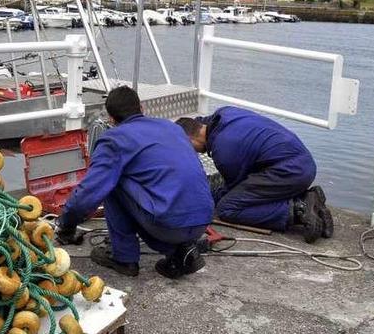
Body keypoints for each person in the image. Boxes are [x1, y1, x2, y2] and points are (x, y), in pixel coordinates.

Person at [55, 86, 215, 279]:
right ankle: (180, 251)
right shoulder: (172, 127)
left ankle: (124, 258)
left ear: (111, 119)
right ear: (141, 107)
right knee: (162, 187)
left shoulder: (114, 139)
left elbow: (89, 192)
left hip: (168, 225)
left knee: (111, 180)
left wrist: (66, 225)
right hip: (203, 219)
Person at [177, 107, 333, 243]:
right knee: (228, 193)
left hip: (291, 172)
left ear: (190, 140)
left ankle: (299, 210)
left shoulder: (223, 150)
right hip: (301, 163)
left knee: (227, 208)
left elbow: (233, 189)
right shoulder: (224, 114)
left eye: (188, 148)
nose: (192, 153)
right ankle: (305, 198)